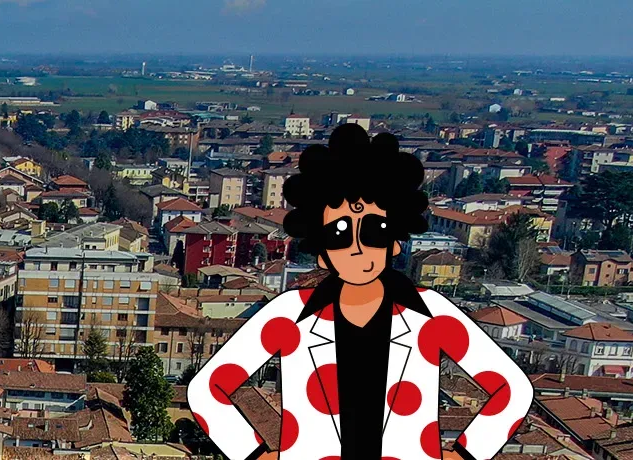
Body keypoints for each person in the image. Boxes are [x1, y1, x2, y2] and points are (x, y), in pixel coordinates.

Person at [185, 124, 531, 460]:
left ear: (394, 242)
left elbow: (512, 389)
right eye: (339, 234)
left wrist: (467, 453)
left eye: (374, 230)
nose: (357, 247)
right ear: (322, 252)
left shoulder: (431, 314)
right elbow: (207, 390)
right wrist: (254, 454)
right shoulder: (289, 315)